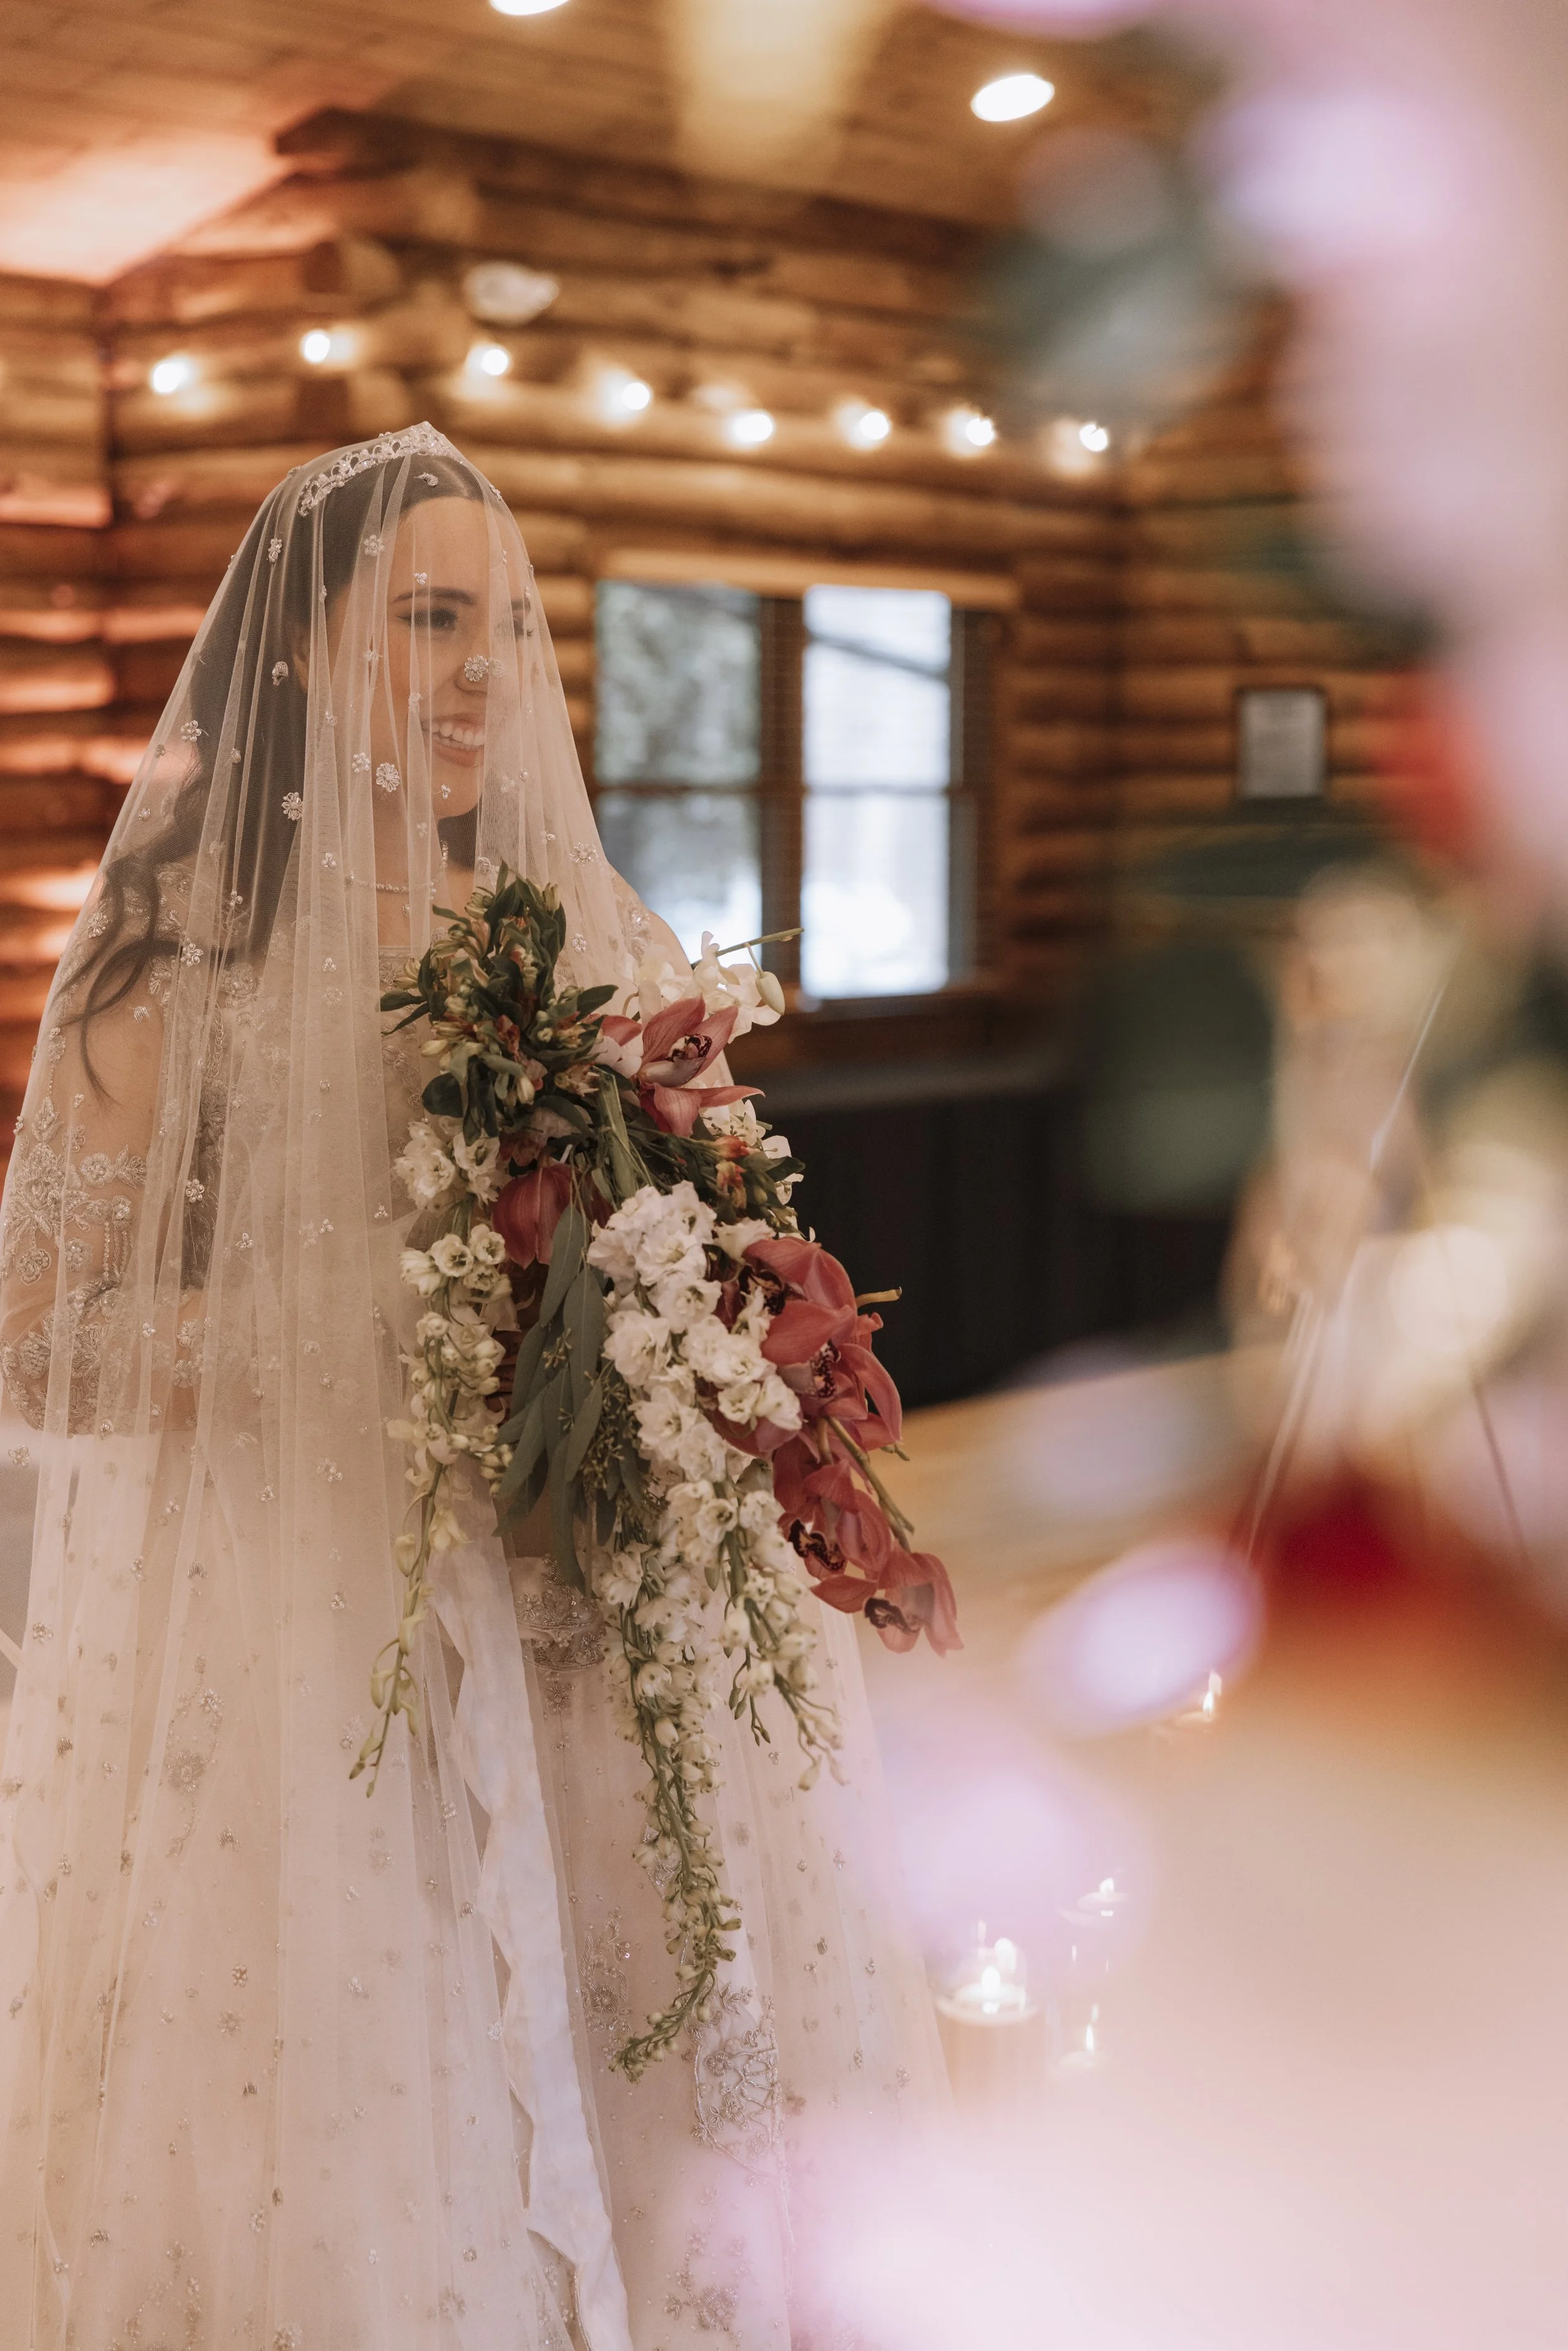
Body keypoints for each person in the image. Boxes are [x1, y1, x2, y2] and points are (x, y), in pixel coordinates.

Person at [0, 428, 945, 2351]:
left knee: (660, 2033)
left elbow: (729, 1238)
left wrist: (691, 1335)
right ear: (299, 648)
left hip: (607, 1619)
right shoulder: (170, 981)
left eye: (505, 630)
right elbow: (39, 1343)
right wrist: (369, 1324)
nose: (483, 676)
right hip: (323, 1642)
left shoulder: (605, 947)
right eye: (430, 620)